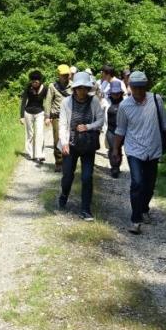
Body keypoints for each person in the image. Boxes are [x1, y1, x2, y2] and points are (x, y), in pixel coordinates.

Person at [110, 71, 166, 234]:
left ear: (145, 86)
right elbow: (120, 130)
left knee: (150, 184)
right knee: (137, 183)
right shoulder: (125, 106)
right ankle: (136, 219)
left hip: (153, 148)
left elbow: (165, 122)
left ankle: (144, 208)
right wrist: (115, 150)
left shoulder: (156, 100)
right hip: (134, 149)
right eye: (135, 88)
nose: (138, 91)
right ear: (130, 87)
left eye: (141, 87)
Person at [58, 71, 105, 221]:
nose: (82, 91)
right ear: (74, 89)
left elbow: (100, 120)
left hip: (88, 143)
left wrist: (88, 126)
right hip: (70, 143)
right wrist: (64, 142)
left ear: (88, 88)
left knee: (86, 177)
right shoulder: (66, 102)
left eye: (85, 87)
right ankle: (64, 195)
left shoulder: (94, 101)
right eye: (79, 88)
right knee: (67, 176)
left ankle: (85, 209)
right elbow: (63, 124)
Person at [44, 64, 72, 166]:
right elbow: (48, 101)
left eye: (67, 74)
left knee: (70, 139)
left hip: (70, 116)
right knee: (57, 140)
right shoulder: (52, 86)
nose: (65, 76)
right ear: (58, 75)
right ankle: (59, 162)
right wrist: (47, 117)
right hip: (57, 116)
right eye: (63, 74)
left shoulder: (73, 86)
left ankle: (68, 161)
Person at [20, 70, 47, 163]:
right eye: (33, 80)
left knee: (39, 133)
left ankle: (39, 154)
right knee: (29, 134)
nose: (34, 82)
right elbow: (23, 102)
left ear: (40, 81)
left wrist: (48, 116)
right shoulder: (28, 88)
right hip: (28, 113)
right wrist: (21, 116)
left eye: (36, 80)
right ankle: (30, 154)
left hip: (40, 113)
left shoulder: (44, 88)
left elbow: (48, 102)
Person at [105, 79, 125, 178]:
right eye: (114, 93)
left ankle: (117, 165)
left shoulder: (126, 103)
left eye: (117, 93)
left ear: (121, 93)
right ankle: (114, 167)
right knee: (113, 148)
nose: (116, 95)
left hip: (123, 130)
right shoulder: (106, 102)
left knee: (119, 148)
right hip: (110, 129)